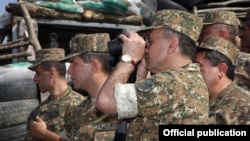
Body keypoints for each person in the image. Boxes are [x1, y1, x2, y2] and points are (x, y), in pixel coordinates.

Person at [96, 9, 210, 140]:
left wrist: (129, 58)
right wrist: (141, 76)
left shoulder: (170, 83)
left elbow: (105, 101)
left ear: (171, 45)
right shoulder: (187, 80)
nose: (146, 48)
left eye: (150, 41)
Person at [24, 33, 117, 141]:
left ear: (94, 66)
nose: (69, 71)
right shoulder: (79, 111)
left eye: (74, 64)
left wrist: (44, 134)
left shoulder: (126, 107)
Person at [23, 48, 86, 141]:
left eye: (38, 72)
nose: (35, 79)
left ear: (52, 72)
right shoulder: (38, 112)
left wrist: (44, 134)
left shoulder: (80, 106)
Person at [195, 37, 250, 124]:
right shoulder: (199, 99)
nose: (193, 71)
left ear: (221, 70)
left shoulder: (244, 104)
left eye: (199, 66)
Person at [198, 10, 250, 91]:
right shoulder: (199, 59)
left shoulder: (247, 62)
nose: (199, 38)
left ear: (221, 35)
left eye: (204, 32)